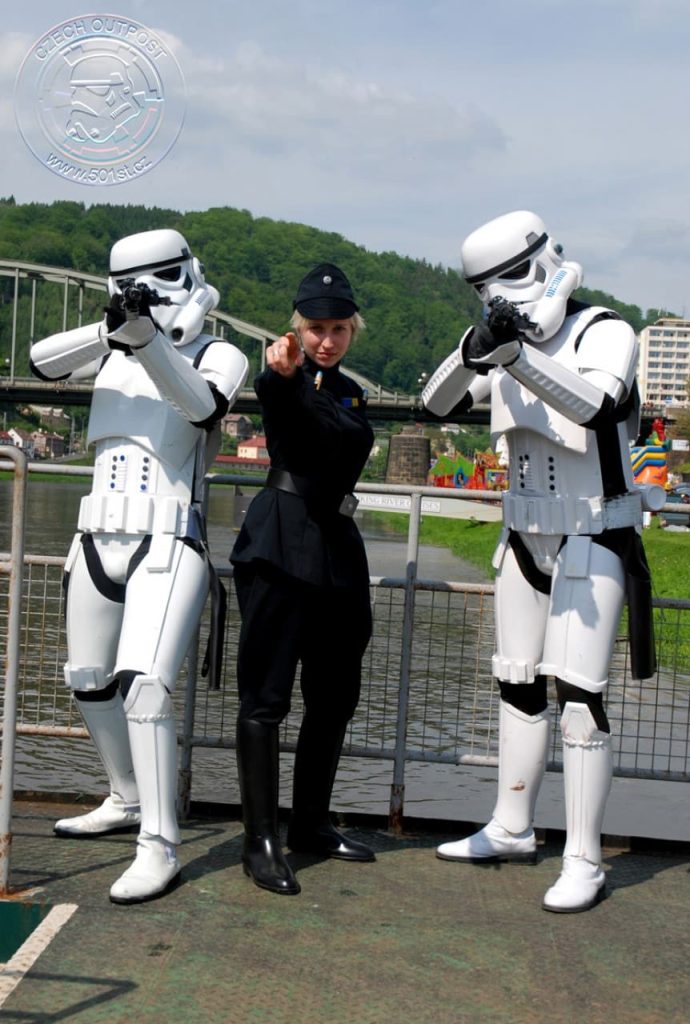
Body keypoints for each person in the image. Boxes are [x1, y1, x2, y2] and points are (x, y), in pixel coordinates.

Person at [422, 211, 656, 913]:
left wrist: (515, 358)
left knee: (579, 699)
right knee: (516, 683)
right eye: (484, 288)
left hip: (593, 534)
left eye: (511, 277)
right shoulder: (504, 345)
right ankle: (511, 823)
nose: (503, 295)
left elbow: (597, 404)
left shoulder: (605, 330)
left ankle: (584, 856)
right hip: (523, 538)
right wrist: (476, 349)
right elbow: (437, 405)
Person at [30, 229, 249, 904]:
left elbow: (203, 406)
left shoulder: (218, 352)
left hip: (168, 535)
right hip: (96, 534)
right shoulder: (111, 351)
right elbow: (42, 363)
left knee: (145, 686)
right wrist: (114, 332)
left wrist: (150, 340)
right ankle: (125, 796)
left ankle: (160, 843)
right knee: (87, 677)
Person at [230, 263, 375, 895]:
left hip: (337, 550)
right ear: (297, 330)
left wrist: (311, 392)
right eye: (316, 328)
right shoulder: (284, 379)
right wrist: (282, 374)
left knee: (334, 696)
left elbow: (345, 442)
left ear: (351, 332)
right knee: (266, 698)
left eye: (339, 329)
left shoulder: (352, 393)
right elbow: (278, 396)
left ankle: (311, 824)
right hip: (282, 543)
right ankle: (259, 842)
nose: (327, 339)